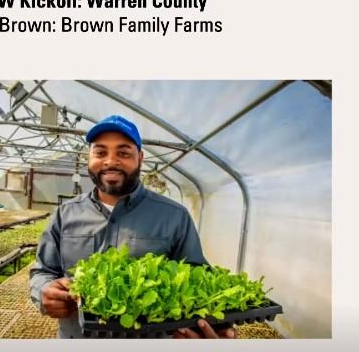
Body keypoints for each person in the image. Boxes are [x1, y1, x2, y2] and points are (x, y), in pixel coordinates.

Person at [29, 115, 235, 339]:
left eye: (123, 153)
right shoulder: (65, 214)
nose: (110, 161)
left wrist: (214, 327)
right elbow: (43, 271)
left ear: (140, 158)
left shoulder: (174, 216)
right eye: (100, 152)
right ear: (88, 158)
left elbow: (198, 281)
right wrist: (43, 292)